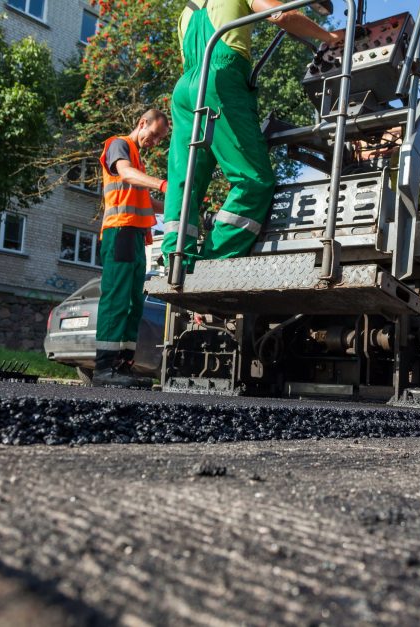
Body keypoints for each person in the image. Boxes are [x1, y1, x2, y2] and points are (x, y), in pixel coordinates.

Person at [162, 0, 342, 267]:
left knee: (186, 179)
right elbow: (282, 15)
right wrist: (331, 36)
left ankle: (176, 261)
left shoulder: (187, 11)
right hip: (222, 79)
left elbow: (190, 59)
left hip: (185, 90)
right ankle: (214, 262)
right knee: (253, 180)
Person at [94, 109, 170, 387]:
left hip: (135, 237)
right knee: (117, 298)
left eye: (160, 139)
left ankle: (122, 365)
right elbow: (125, 174)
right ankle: (104, 367)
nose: (155, 141)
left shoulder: (137, 161)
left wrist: (180, 207)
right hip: (120, 232)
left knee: (133, 303)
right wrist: (163, 184)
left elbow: (147, 204)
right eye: (154, 135)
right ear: (142, 124)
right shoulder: (119, 145)